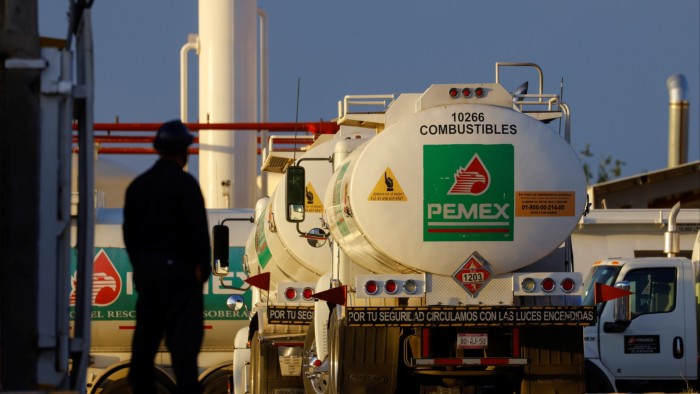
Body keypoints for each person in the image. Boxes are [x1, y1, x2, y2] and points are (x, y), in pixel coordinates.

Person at [123, 119, 211, 393]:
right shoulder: (185, 185)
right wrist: (201, 268)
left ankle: (141, 387)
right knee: (183, 344)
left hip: (148, 272)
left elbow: (130, 233)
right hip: (181, 274)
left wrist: (142, 265)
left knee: (146, 337)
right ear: (183, 151)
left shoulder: (138, 186)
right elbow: (197, 230)